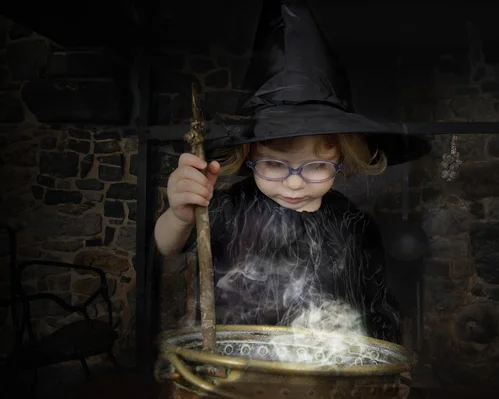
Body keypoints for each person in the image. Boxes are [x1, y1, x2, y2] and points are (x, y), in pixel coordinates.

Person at [154, 1, 430, 396]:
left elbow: (376, 302)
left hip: (328, 380)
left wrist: (392, 364)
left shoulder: (353, 224)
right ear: (249, 156)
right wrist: (179, 214)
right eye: (275, 166)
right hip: (236, 378)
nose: (295, 184)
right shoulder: (229, 207)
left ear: (342, 158)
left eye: (316, 167)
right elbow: (168, 245)